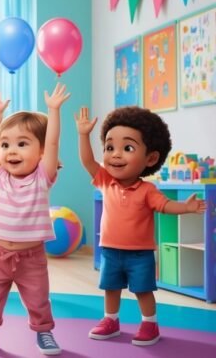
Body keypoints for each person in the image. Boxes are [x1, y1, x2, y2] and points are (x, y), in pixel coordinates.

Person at [75, 106, 206, 346]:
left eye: (128, 148)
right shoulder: (106, 181)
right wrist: (83, 135)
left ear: (151, 158)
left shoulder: (148, 190)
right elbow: (86, 160)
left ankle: (149, 324)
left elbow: (165, 205)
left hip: (139, 254)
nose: (115, 155)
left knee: (143, 290)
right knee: (110, 288)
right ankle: (110, 320)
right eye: (109, 147)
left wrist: (186, 208)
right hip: (110, 251)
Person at [0, 85, 70, 356]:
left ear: (42, 152)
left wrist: (54, 111)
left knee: (38, 299)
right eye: (7, 144)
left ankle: (44, 332)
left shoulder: (43, 178)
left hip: (31, 256)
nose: (11, 151)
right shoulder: (1, 175)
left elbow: (54, 141)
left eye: (22, 144)